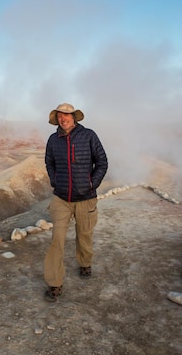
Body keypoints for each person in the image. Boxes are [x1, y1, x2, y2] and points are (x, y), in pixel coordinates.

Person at [43, 103, 108, 302]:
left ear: (74, 117)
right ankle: (54, 283)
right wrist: (55, 181)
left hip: (86, 198)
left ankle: (85, 262)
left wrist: (91, 183)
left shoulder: (89, 135)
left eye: (67, 115)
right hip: (61, 198)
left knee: (85, 235)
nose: (63, 119)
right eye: (60, 116)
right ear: (57, 119)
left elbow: (102, 162)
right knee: (57, 240)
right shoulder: (53, 140)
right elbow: (49, 162)